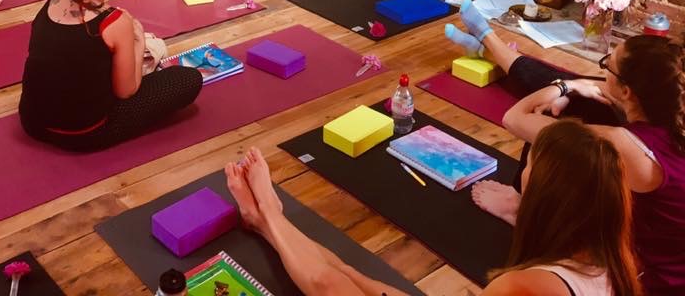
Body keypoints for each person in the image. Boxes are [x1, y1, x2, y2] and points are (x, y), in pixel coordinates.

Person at [226, 121, 640, 296]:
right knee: (351, 274)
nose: (521, 173)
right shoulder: (612, 261)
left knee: (331, 287)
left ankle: (270, 214)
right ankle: (265, 223)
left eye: (528, 167)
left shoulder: (534, 286)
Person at [449, 1, 685, 294]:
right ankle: (487, 42)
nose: (605, 64)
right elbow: (602, 89)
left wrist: (566, 86)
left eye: (607, 63)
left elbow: (515, 119)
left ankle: (521, 206)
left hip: (643, 279)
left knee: (557, 104)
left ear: (627, 92)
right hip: (642, 245)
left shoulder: (627, 146)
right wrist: (576, 86)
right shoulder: (673, 113)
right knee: (579, 95)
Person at [18, 0, 202, 151]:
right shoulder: (114, 22)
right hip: (85, 135)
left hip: (32, 122)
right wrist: (139, 42)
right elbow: (126, 91)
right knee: (188, 78)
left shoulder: (49, 6)